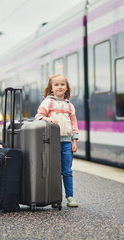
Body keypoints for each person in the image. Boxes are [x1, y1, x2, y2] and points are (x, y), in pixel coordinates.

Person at [35, 74, 79, 208]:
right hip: (52, 142)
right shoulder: (48, 102)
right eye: (56, 85)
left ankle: (70, 197)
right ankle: (55, 198)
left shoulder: (70, 106)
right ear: (51, 88)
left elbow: (74, 123)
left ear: (67, 88)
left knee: (67, 170)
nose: (59, 87)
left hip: (66, 142)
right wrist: (47, 119)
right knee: (53, 171)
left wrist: (74, 140)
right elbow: (39, 116)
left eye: (62, 84)